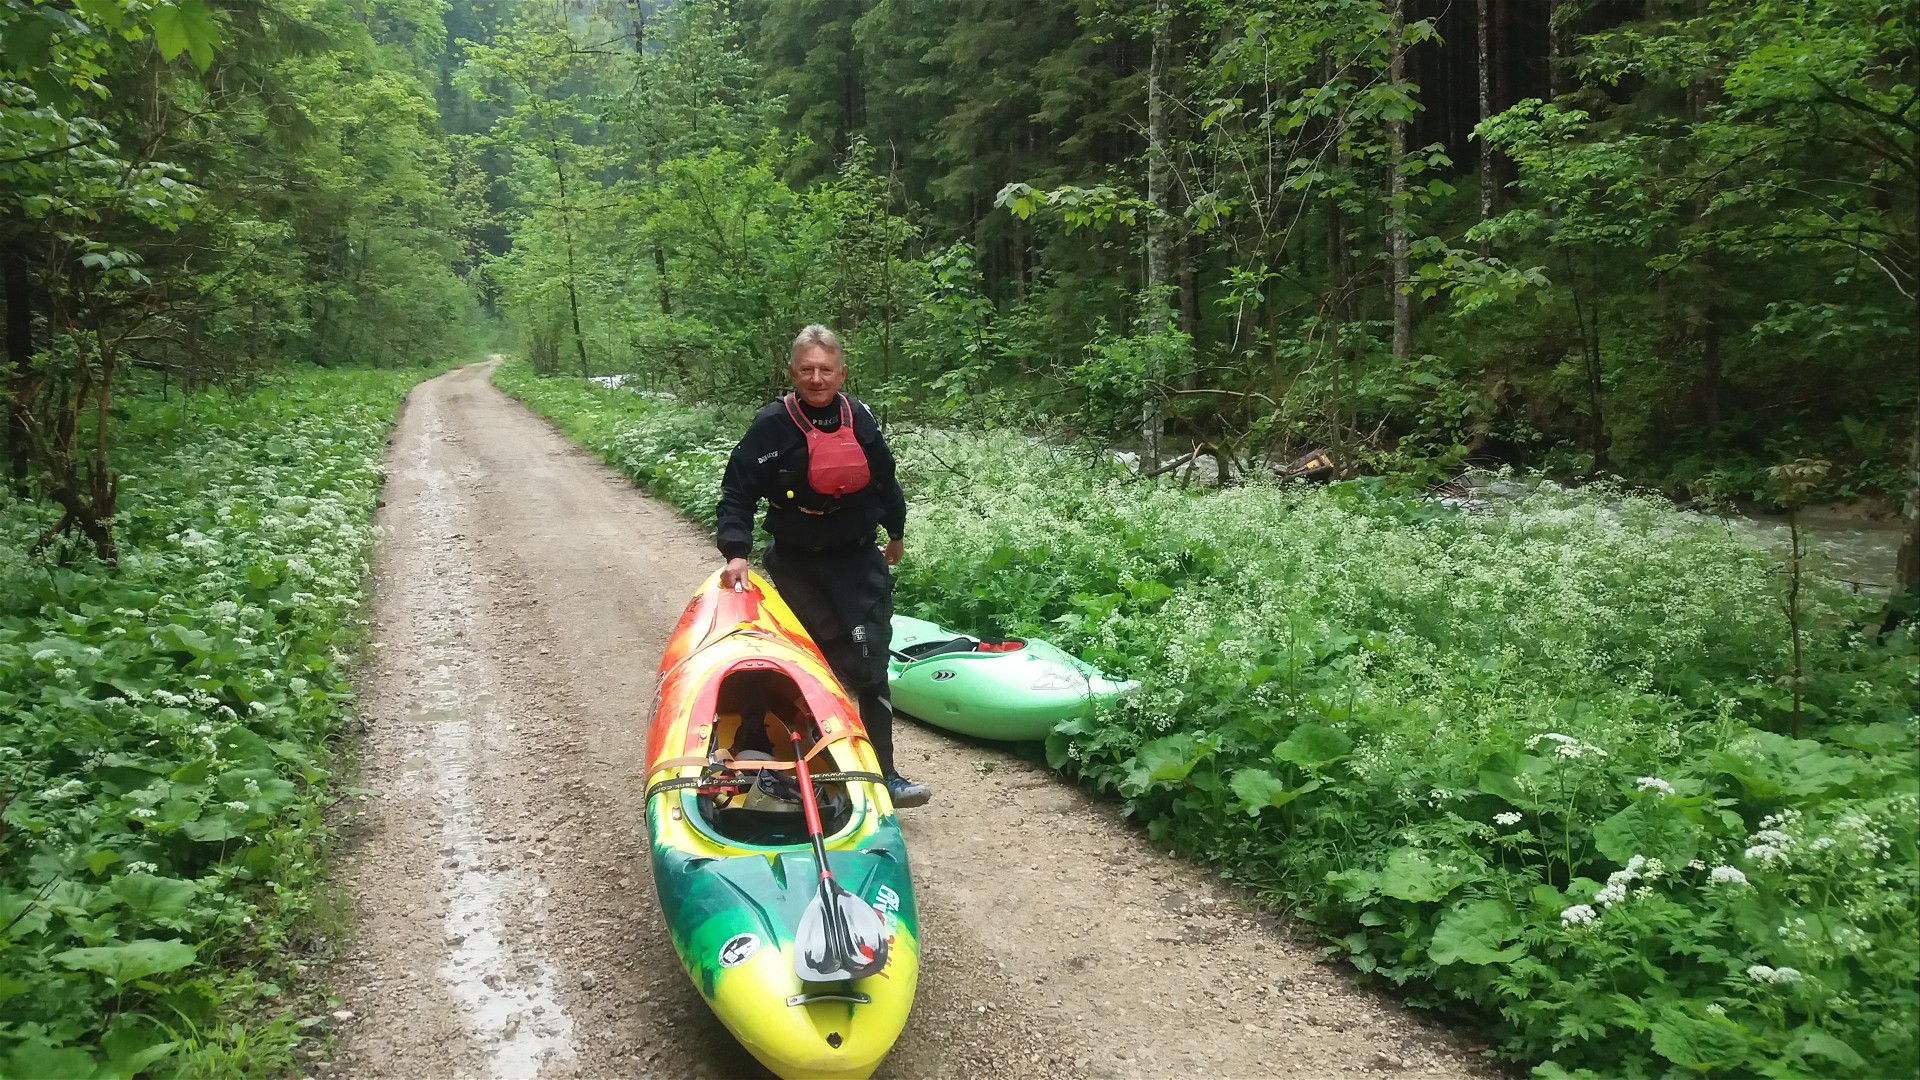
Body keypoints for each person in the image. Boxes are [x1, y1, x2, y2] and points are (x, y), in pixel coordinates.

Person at [716, 325, 932, 809]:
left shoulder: (860, 418)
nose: (817, 379)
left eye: (826, 370)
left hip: (857, 556)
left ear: (842, 373)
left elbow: (884, 479)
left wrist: (895, 531)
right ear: (792, 371)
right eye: (807, 369)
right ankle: (782, 758)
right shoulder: (772, 424)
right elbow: (738, 492)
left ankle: (886, 775)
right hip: (797, 561)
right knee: (802, 660)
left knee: (871, 661)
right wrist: (736, 552)